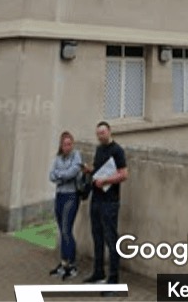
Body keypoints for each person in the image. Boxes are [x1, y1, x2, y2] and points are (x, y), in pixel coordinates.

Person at [82, 121, 127, 285]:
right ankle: (98, 272)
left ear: (109, 132)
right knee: (97, 236)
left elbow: (123, 174)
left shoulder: (118, 151)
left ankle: (113, 279)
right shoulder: (99, 149)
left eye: (103, 133)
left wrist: (106, 180)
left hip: (110, 202)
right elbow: (98, 167)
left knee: (111, 239)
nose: (100, 136)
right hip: (96, 199)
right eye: (98, 134)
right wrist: (90, 170)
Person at [48, 131, 83, 279]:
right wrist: (62, 175)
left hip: (71, 196)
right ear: (61, 146)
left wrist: (60, 175)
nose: (67, 147)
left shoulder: (76, 156)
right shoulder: (58, 158)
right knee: (62, 230)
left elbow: (72, 172)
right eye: (64, 144)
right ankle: (63, 263)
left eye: (69, 144)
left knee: (67, 229)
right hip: (60, 195)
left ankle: (72, 263)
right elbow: (51, 175)